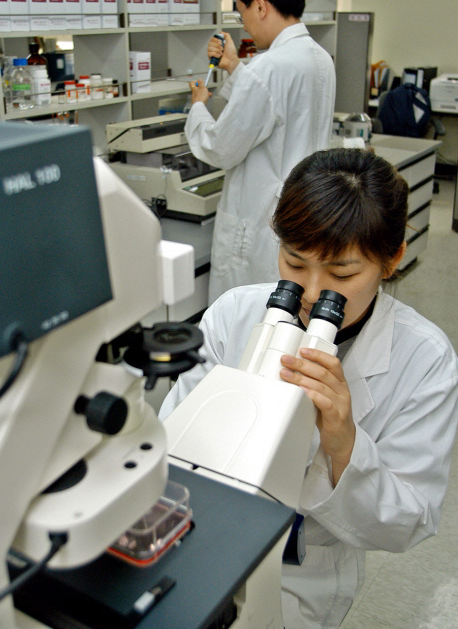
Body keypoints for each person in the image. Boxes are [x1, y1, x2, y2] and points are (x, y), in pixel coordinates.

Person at [159, 148, 458, 629]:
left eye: (342, 274)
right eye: (294, 262)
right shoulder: (235, 314)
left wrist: (343, 443)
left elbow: (408, 521)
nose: (314, 292)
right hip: (197, 535)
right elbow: (171, 449)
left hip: (303, 573)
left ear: (392, 260)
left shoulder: (425, 359)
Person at [185, 0, 335, 304]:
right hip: (302, 214)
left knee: (246, 315)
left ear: (259, 5)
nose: (244, 23)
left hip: (260, 222)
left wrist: (198, 108)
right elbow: (273, 109)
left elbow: (220, 148)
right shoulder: (319, 58)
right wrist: (234, 67)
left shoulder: (269, 67)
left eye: (241, 12)